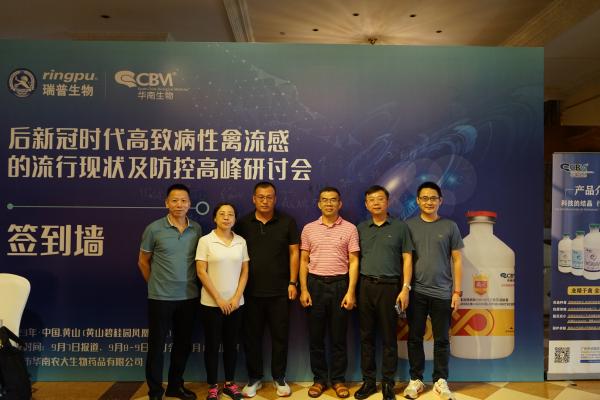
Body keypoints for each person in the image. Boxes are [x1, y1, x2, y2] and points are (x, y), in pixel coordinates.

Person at [235, 182, 300, 398]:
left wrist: (293, 282)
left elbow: (294, 253)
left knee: (280, 337)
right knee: (252, 338)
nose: (265, 201)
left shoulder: (287, 222)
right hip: (250, 292)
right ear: (253, 199)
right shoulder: (242, 223)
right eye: (261, 197)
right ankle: (254, 378)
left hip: (280, 292)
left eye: (269, 197)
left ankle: (279, 377)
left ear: (275, 199)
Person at [138, 184, 201, 400]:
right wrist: (155, 284)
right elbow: (143, 262)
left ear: (189, 204)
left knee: (182, 345)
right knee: (156, 347)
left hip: (189, 297)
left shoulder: (197, 229)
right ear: (166, 203)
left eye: (183, 201)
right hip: (160, 298)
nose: (179, 205)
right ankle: (155, 391)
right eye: (174, 200)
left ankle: (175, 386)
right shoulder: (154, 229)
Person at [403, 182, 463, 400]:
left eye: (433, 198)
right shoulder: (408, 226)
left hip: (443, 293)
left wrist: (457, 292)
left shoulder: (450, 226)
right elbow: (405, 260)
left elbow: (457, 260)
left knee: (442, 339)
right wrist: (405, 289)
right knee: (414, 338)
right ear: (418, 201)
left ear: (440, 201)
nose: (429, 202)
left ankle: (440, 380)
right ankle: (416, 380)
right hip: (416, 292)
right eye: (424, 198)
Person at [299, 187, 359, 399]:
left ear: (339, 204)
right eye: (324, 200)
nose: (329, 203)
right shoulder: (308, 229)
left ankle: (338, 380)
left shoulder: (350, 228)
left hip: (340, 285)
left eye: (333, 200)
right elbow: (303, 260)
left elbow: (354, 261)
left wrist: (351, 292)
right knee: (316, 337)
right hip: (314, 285)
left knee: (338, 338)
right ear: (319, 204)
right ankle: (319, 380)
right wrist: (304, 289)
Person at [355, 185, 413, 400]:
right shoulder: (360, 228)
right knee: (366, 337)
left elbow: (407, 258)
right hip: (365, 286)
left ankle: (388, 383)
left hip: (390, 288)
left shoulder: (400, 227)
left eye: (380, 199)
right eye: (371, 200)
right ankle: (369, 382)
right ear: (366, 204)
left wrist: (405, 288)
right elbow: (353, 260)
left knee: (389, 338)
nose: (376, 203)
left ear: (388, 202)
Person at [196, 203, 249, 400]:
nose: (226, 217)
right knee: (212, 345)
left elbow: (245, 271)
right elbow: (201, 271)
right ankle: (212, 386)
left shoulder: (241, 241)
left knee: (231, 345)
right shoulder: (205, 241)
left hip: (235, 304)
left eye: (230, 214)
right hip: (211, 304)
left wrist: (236, 297)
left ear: (235, 219)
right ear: (214, 218)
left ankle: (229, 384)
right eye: (222, 214)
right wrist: (218, 298)